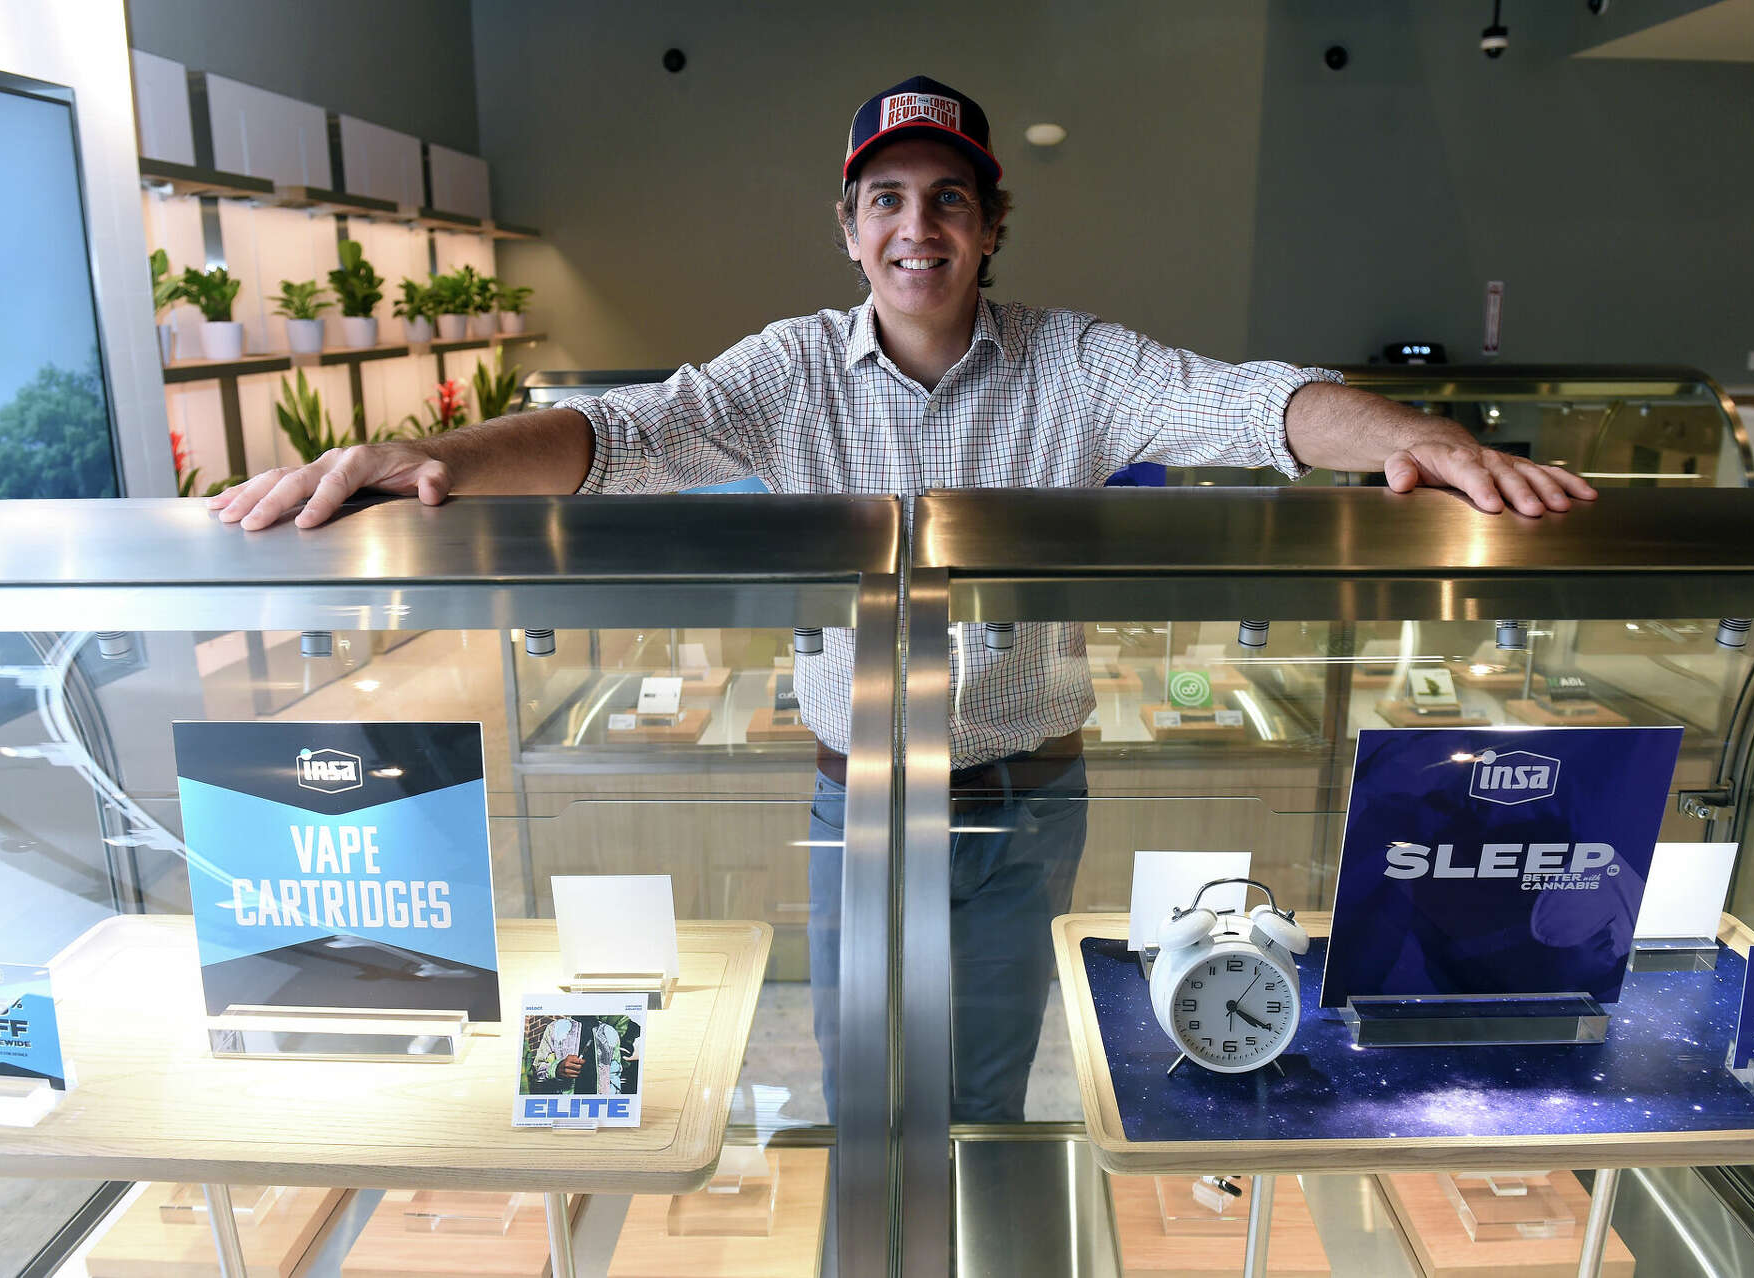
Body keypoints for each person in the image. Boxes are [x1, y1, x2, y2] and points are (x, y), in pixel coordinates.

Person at [211, 75, 1595, 1122]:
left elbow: (1249, 401)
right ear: (849, 227)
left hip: (1026, 792)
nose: (915, 225)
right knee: (866, 1081)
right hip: (855, 793)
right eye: (886, 197)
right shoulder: (789, 368)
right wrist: (430, 458)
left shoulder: (1077, 362)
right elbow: (615, 438)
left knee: (988, 1084)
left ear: (992, 224)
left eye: (947, 197)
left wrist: (1419, 440)